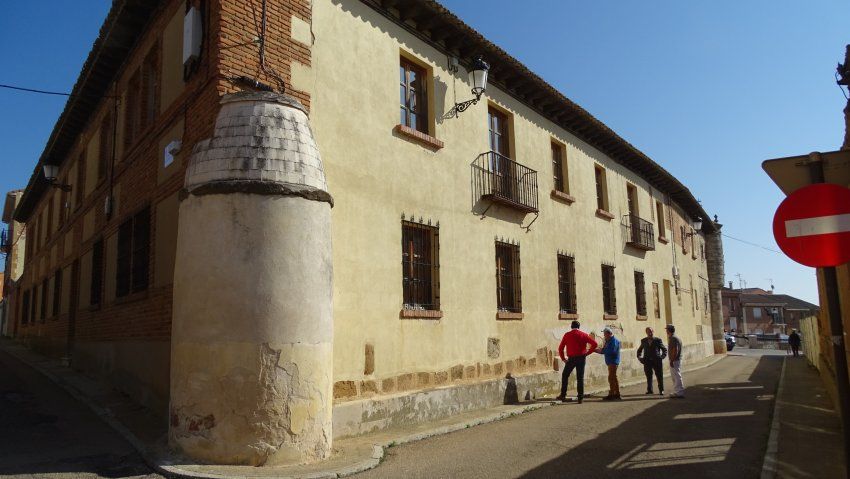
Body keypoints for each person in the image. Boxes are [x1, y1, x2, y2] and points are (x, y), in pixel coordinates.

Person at [556, 320, 598, 404]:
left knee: (565, 375)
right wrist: (587, 353)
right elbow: (595, 344)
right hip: (581, 358)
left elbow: (560, 348)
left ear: (571, 327)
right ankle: (580, 398)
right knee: (580, 377)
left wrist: (563, 358)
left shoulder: (567, 335)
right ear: (579, 327)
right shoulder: (584, 335)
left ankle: (563, 395)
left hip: (571, 358)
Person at [637, 327, 667, 395]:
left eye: (651, 331)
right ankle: (650, 390)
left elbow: (664, 349)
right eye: (648, 332)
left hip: (657, 361)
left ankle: (661, 390)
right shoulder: (643, 341)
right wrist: (639, 357)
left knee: (659, 376)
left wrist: (662, 357)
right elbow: (639, 350)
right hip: (647, 361)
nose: (650, 333)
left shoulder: (658, 340)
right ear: (646, 332)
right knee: (648, 376)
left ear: (653, 331)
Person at [595, 327, 621, 400]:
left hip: (613, 361)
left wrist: (601, 351)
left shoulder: (614, 341)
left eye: (605, 334)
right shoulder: (608, 341)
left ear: (609, 334)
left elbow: (611, 351)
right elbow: (605, 350)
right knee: (613, 378)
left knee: (611, 378)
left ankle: (612, 394)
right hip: (610, 362)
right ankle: (616, 393)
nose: (604, 335)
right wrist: (598, 350)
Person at [666, 324, 685, 398]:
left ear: (669, 330)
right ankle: (678, 391)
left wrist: (672, 360)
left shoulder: (673, 338)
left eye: (667, 329)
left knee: (676, 376)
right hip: (676, 359)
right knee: (676, 375)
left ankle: (679, 392)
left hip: (675, 360)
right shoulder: (675, 337)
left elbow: (675, 350)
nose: (666, 331)